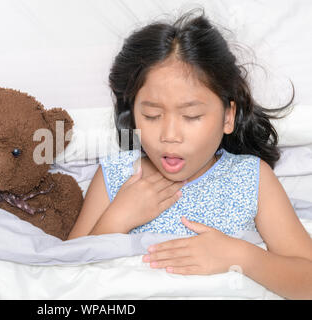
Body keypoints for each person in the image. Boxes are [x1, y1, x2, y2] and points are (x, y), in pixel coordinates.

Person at [67, 8, 312, 299]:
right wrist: (117, 219)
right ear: (132, 117)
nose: (170, 135)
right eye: (152, 115)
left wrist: (242, 256)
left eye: (192, 116)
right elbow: (65, 277)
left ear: (227, 117)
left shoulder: (251, 177)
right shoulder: (117, 175)